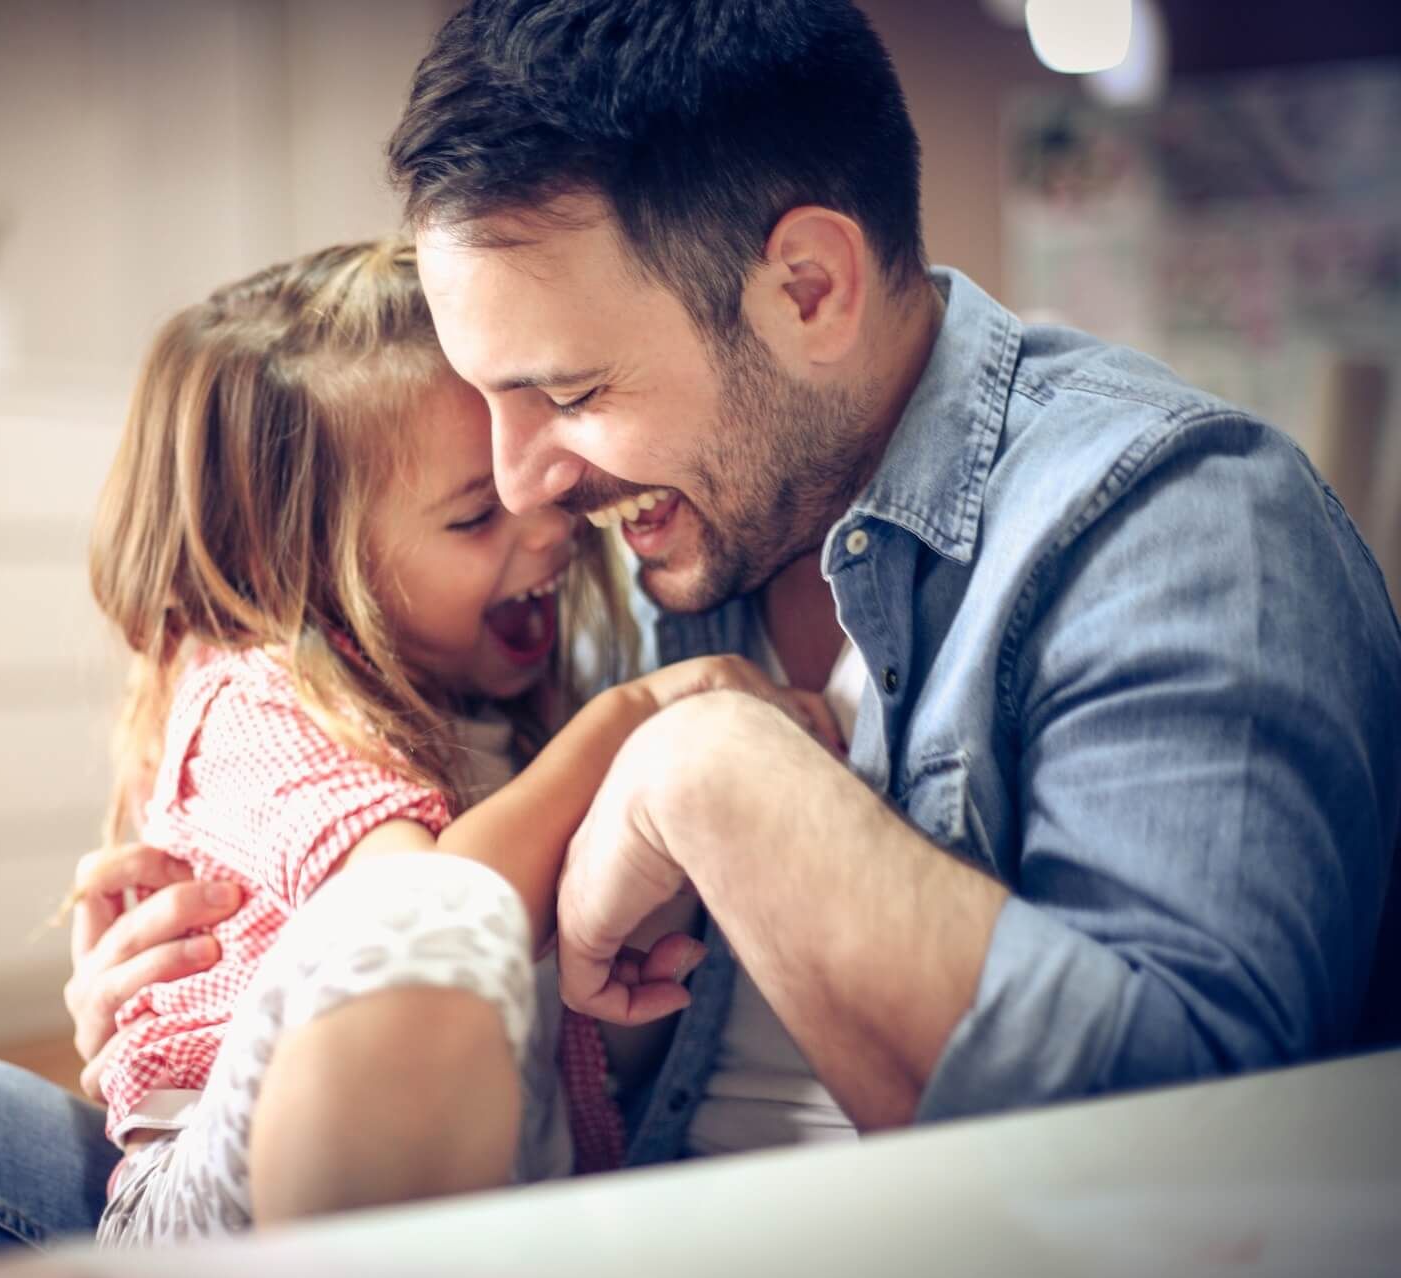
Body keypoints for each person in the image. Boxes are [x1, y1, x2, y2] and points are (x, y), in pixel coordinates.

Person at [0, 238, 834, 1273]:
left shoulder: (514, 691)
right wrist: (637, 719)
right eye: (473, 515)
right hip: (207, 1212)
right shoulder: (258, 698)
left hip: (504, 1189)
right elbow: (417, 914)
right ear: (307, 567)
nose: (546, 523)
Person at [382, 0, 1401, 1142]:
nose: (520, 486)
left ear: (809, 290)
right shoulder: (629, 547)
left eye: (572, 393)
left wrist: (714, 774)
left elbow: (1195, 1154)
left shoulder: (1185, 527)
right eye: (491, 400)